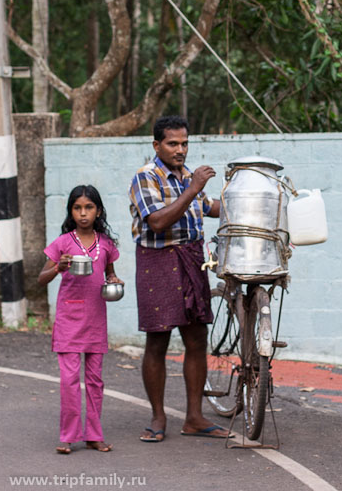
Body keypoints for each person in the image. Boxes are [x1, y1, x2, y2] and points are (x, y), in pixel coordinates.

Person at [129, 115, 232, 442]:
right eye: (173, 143)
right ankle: (158, 418)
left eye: (185, 143)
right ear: (156, 144)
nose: (180, 149)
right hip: (157, 262)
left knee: (197, 339)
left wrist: (245, 195)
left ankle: (194, 418)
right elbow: (157, 221)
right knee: (158, 340)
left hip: (191, 259)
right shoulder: (146, 177)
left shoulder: (187, 177)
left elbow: (209, 207)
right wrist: (193, 189)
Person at [38, 184, 123, 454]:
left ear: (98, 211)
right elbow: (41, 278)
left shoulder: (106, 245)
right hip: (69, 321)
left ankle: (94, 434)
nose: (83, 213)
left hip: (96, 320)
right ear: (71, 211)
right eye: (77, 208)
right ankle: (68, 435)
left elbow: (110, 273)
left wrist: (114, 280)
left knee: (96, 380)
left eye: (89, 207)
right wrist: (57, 267)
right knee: (69, 380)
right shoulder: (62, 243)